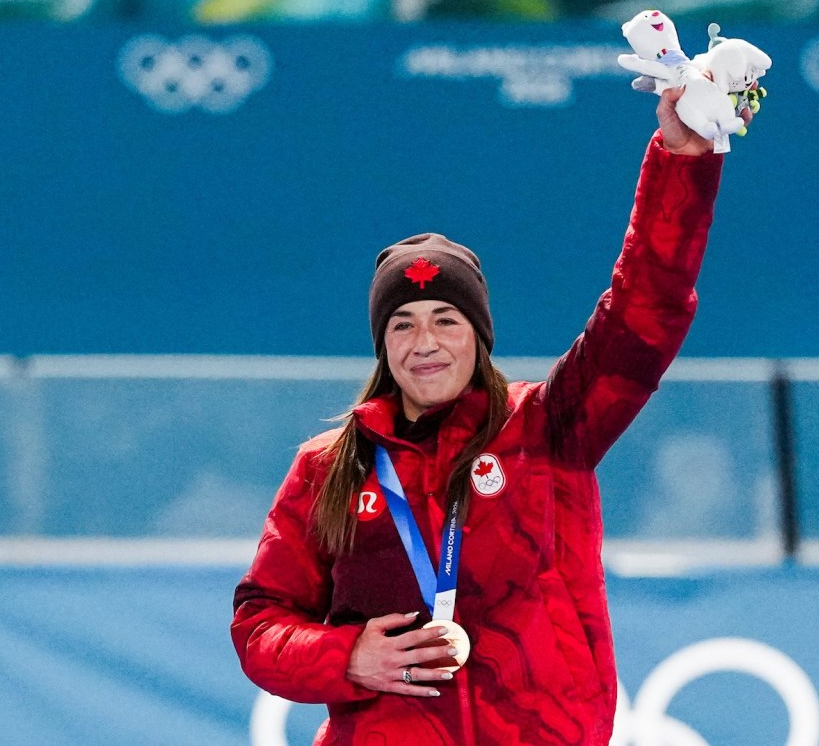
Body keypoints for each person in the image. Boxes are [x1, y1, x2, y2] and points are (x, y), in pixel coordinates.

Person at [232, 84, 742, 745]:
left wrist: (681, 162)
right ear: (383, 345)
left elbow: (646, 306)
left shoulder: (548, 427)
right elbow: (260, 621)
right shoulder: (330, 467)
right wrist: (347, 655)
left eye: (446, 319)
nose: (424, 342)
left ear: (479, 335)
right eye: (402, 324)